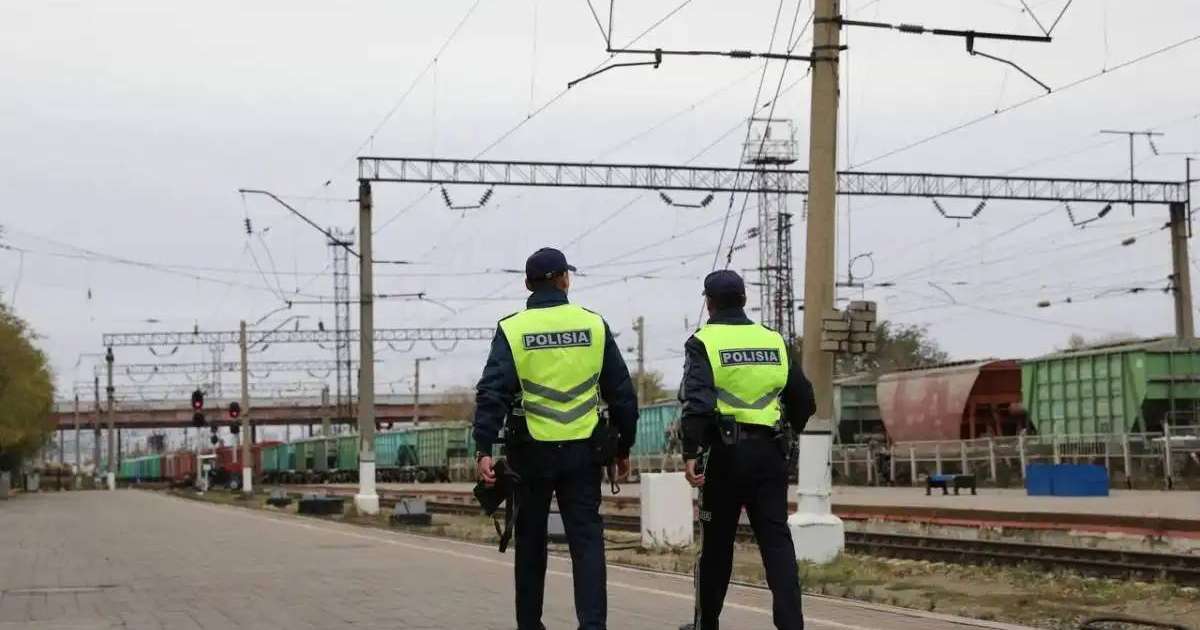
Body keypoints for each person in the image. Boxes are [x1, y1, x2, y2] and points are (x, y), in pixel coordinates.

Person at [473, 247, 640, 630]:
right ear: (566, 279)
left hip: (530, 452)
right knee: (586, 541)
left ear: (527, 284)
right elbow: (622, 393)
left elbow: (492, 391)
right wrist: (624, 447)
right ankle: (593, 625)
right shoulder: (594, 325)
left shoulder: (514, 329)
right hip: (583, 452)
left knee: (530, 542)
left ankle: (530, 624)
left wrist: (483, 446)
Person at [679, 270, 815, 630]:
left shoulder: (703, 341)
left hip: (723, 458)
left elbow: (697, 402)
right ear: (743, 299)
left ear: (709, 303)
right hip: (770, 454)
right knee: (777, 544)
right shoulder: (773, 341)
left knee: (717, 545)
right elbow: (804, 398)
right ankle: (791, 625)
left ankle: (706, 623)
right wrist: (787, 432)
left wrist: (690, 451)